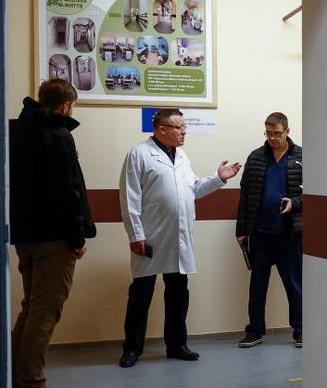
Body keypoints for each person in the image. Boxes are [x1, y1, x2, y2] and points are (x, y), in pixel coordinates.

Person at [118, 108, 241, 367]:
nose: (184, 132)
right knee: (141, 293)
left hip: (178, 237)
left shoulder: (182, 156)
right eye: (179, 128)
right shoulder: (139, 154)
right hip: (150, 237)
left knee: (177, 292)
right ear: (161, 129)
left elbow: (193, 189)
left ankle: (176, 344)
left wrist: (218, 179)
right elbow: (129, 198)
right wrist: (135, 235)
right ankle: (132, 349)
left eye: (184, 127)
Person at [9, 79, 96, 388]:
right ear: (65, 106)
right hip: (53, 238)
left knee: (30, 309)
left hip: (25, 236)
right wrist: (76, 238)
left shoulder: (18, 133)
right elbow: (68, 190)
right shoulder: (57, 135)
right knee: (45, 313)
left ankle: (16, 381)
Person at [235, 112, 303, 348]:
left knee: (295, 284)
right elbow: (245, 197)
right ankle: (254, 330)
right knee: (257, 285)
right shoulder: (255, 158)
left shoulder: (302, 157)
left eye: (277, 133)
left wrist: (294, 203)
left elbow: (312, 194)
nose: (272, 138)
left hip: (289, 234)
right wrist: (241, 230)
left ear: (287, 131)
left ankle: (300, 329)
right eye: (268, 133)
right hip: (261, 234)